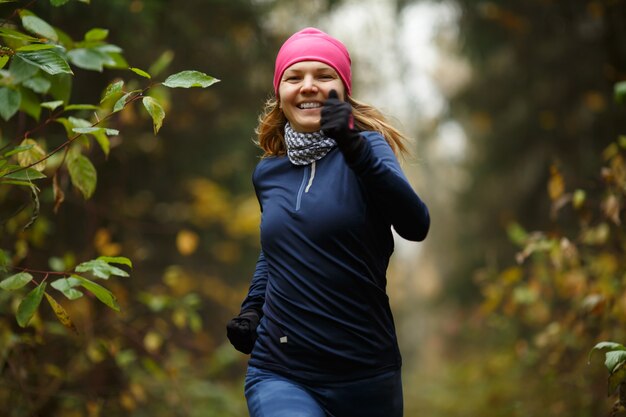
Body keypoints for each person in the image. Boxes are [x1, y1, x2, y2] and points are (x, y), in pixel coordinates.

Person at [226, 27, 430, 417]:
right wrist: (253, 308)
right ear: (280, 92)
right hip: (280, 369)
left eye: (323, 76)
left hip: (366, 375)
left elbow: (415, 225)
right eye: (294, 77)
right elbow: (277, 251)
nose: (308, 86)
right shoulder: (269, 173)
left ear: (343, 89)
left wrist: (355, 150)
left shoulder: (367, 148)